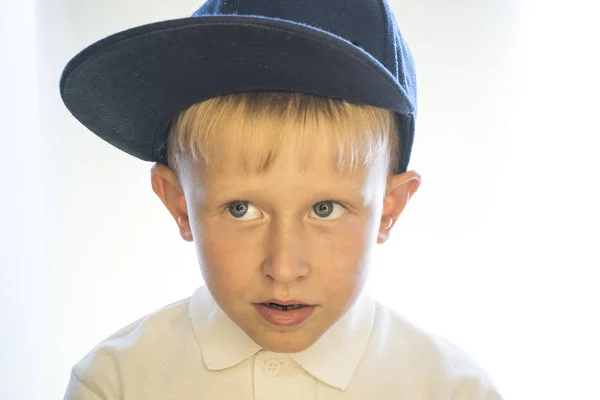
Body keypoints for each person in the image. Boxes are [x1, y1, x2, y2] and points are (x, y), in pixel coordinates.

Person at [59, 0, 502, 398]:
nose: (284, 268)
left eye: (324, 209)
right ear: (179, 203)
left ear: (390, 208)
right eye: (241, 209)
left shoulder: (450, 389)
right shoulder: (115, 383)